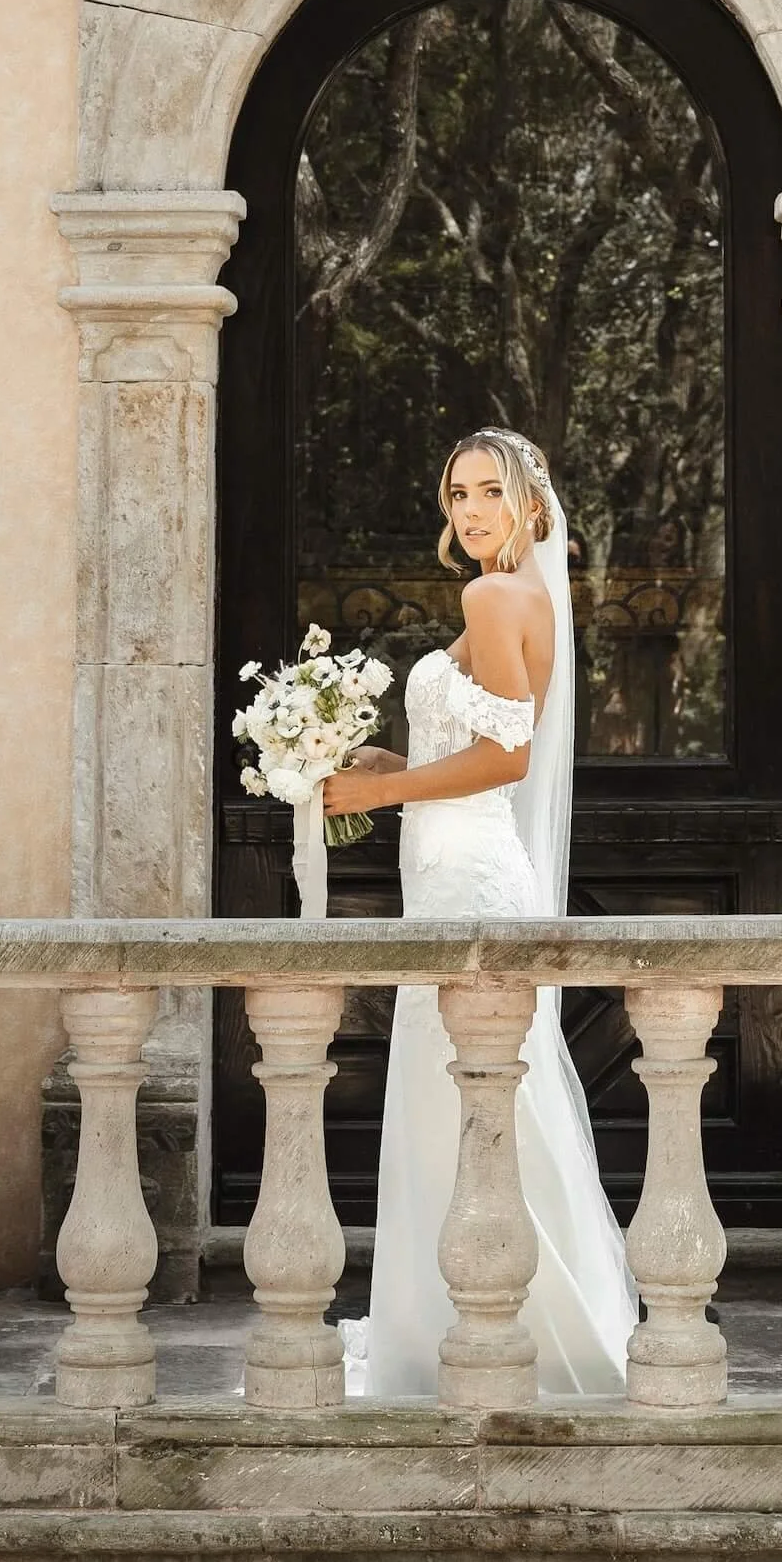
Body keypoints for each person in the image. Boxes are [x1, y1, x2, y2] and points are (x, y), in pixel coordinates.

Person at [321, 428, 636, 1396]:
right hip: (456, 861)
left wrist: (385, 794)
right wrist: (386, 767)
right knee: (474, 1095)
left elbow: (507, 758)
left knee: (470, 1093)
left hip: (466, 875)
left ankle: (486, 1323)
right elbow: (478, 740)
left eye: (488, 492)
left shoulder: (492, 596)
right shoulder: (514, 597)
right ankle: (467, 1314)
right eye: (456, 492)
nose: (469, 511)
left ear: (529, 507)